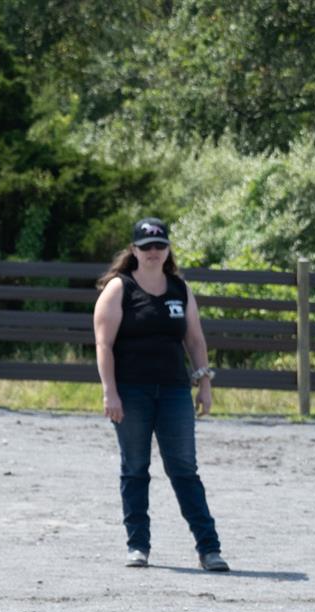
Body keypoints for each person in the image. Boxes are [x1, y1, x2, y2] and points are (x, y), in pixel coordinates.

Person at [93, 217, 228, 572]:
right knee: (135, 468)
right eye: (146, 246)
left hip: (173, 391)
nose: (153, 252)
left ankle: (209, 548)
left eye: (159, 246)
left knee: (184, 469)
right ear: (134, 250)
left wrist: (204, 384)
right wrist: (110, 392)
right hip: (131, 391)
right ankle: (138, 546)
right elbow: (103, 344)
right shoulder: (119, 289)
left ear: (167, 249)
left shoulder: (179, 289)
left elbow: (195, 340)